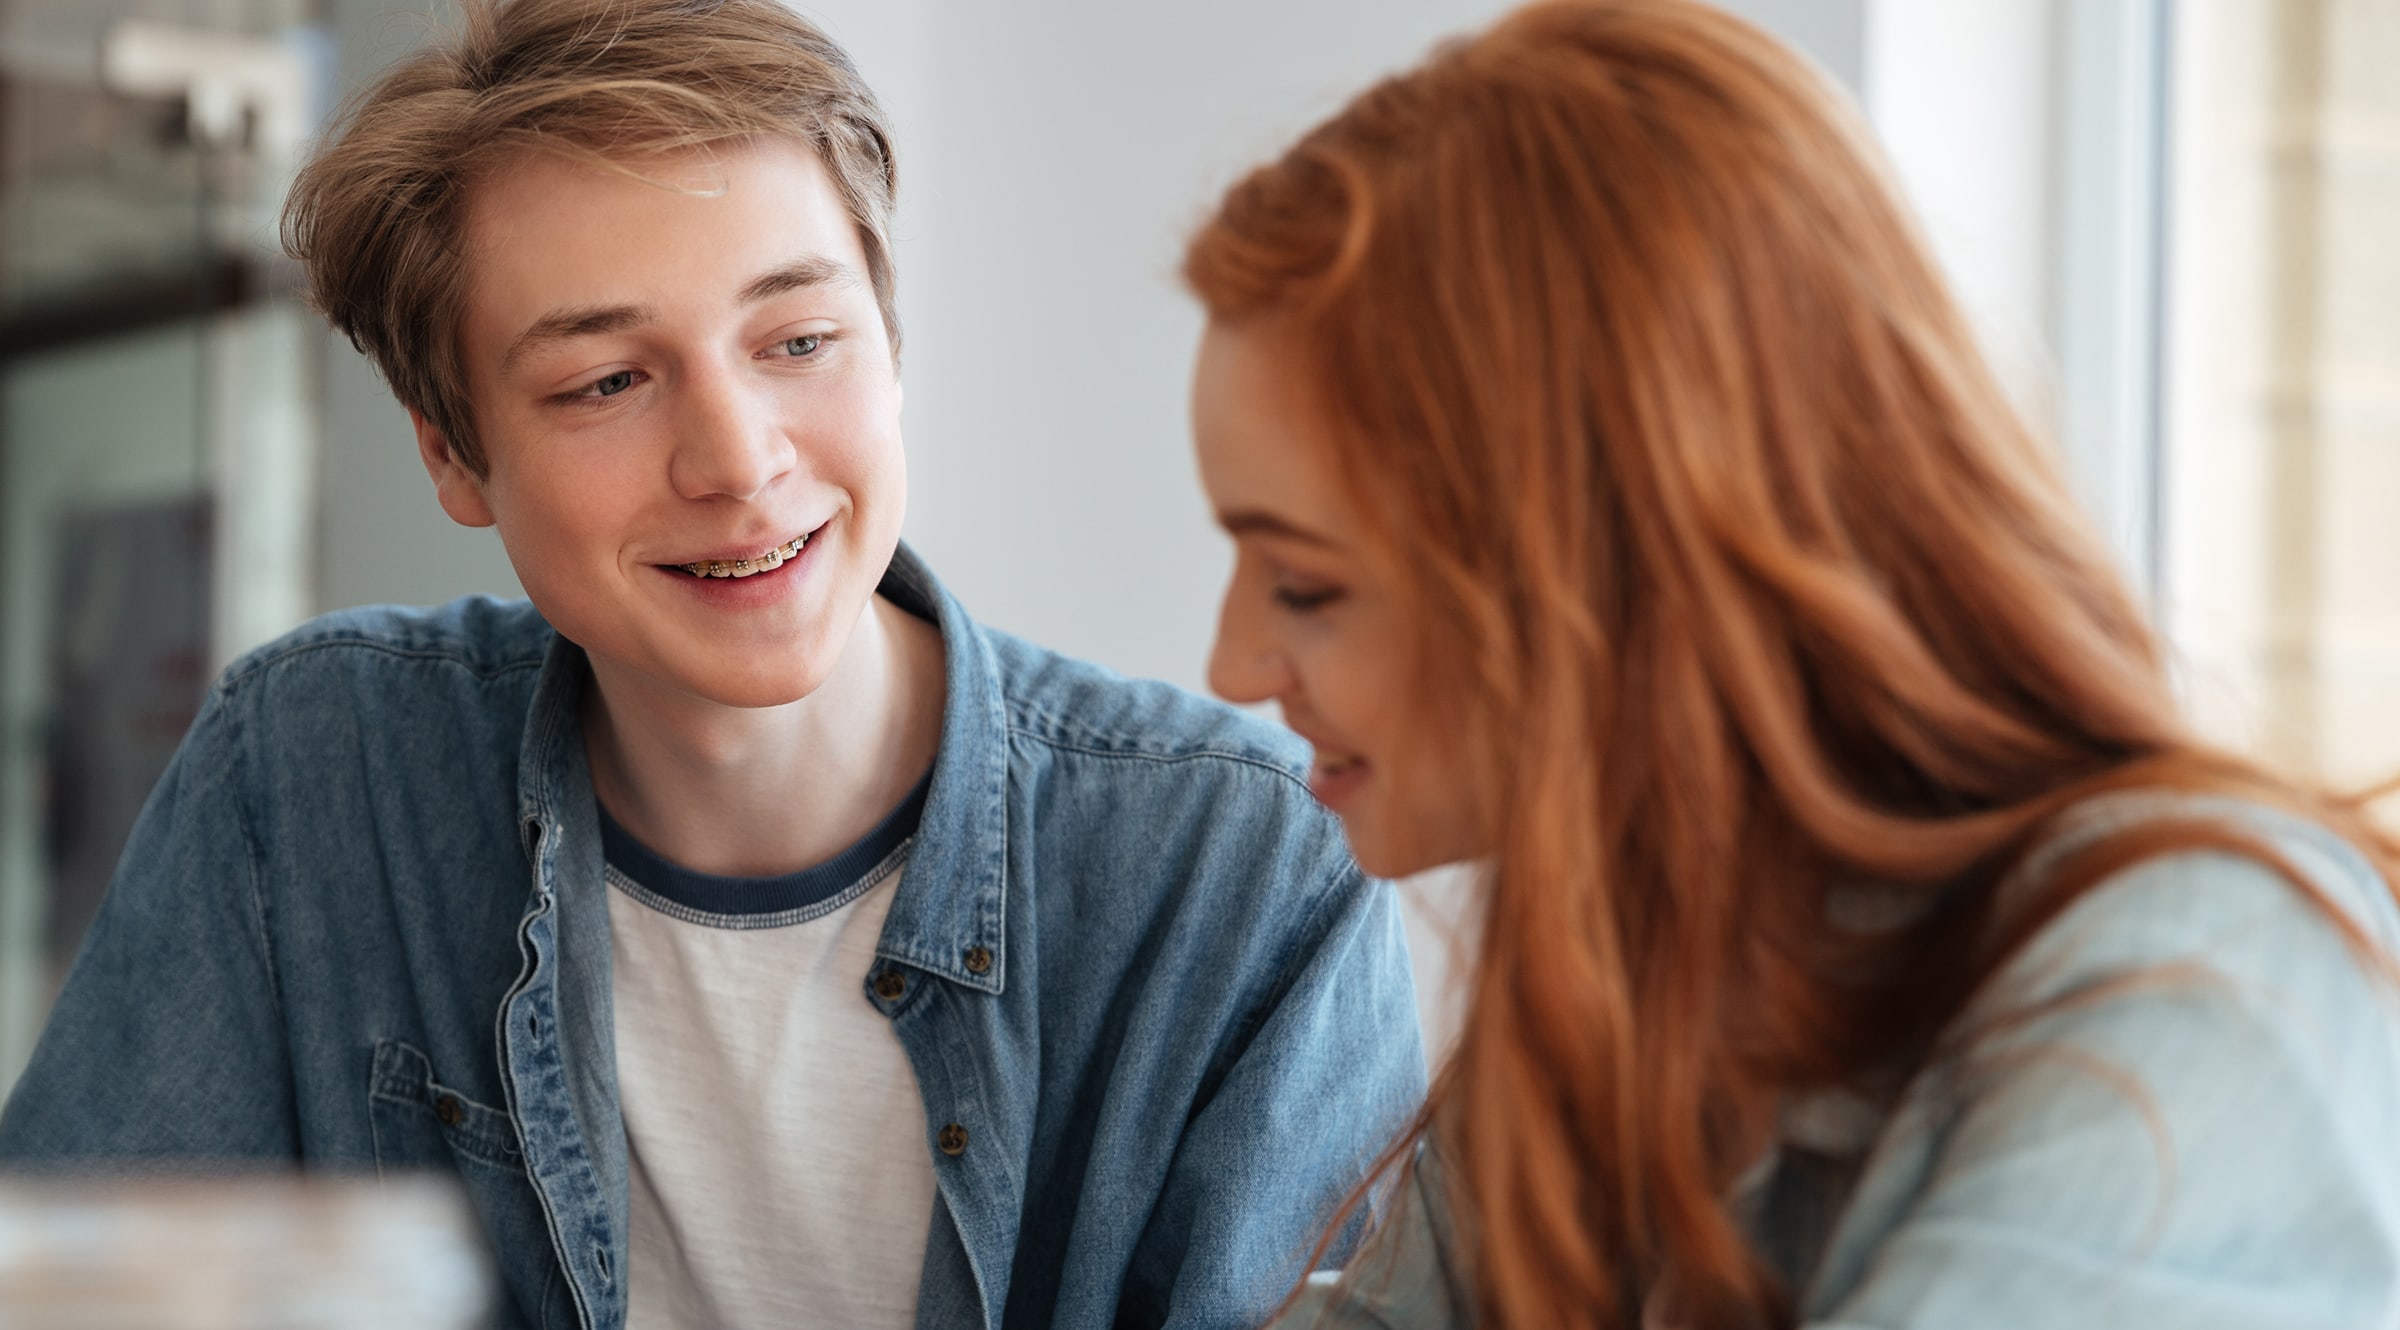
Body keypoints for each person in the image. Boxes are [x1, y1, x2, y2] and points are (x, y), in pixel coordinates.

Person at [0, 1, 1426, 1326]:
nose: (740, 460)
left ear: (891, 342)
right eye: (607, 381)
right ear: (452, 450)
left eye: (800, 338)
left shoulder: (1249, 870)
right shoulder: (309, 772)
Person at [1182, 1, 2400, 1326]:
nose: (1233, 664)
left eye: (1306, 583)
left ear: (1614, 556)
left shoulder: (2189, 988)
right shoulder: (1629, 983)